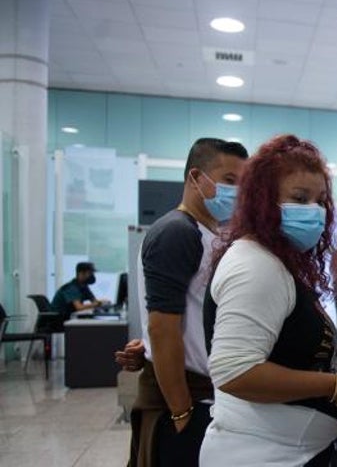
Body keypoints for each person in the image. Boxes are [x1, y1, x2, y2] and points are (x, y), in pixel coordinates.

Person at [200, 134, 337, 465]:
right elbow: (236, 372)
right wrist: (335, 386)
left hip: (293, 452)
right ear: (262, 201)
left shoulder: (275, 261)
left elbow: (283, 353)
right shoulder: (255, 265)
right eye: (299, 198)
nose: (313, 211)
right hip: (264, 456)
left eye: (320, 201)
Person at [129, 138, 248, 467]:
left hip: (208, 395)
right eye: (229, 181)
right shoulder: (177, 232)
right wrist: (181, 412)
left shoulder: (211, 234)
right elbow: (162, 328)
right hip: (186, 398)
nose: (236, 192)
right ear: (196, 177)